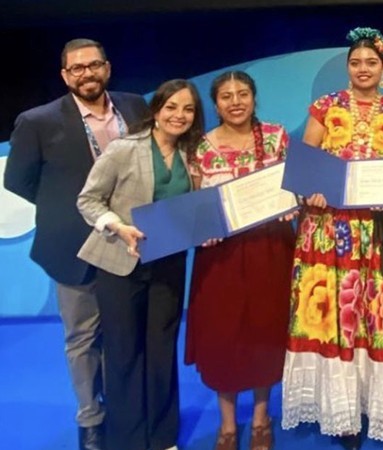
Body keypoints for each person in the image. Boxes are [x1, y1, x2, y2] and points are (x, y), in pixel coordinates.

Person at [3, 38, 148, 450]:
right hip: (74, 247)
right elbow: (19, 181)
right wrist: (68, 210)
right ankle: (90, 419)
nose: (87, 73)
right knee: (83, 337)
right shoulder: (38, 121)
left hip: (132, 243)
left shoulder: (136, 107)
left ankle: (126, 408)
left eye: (94, 65)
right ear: (65, 76)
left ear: (107, 67)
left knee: (127, 333)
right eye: (77, 68)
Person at [281, 27, 383, 450]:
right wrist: (312, 188)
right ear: (347, 67)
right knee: (330, 312)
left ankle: (370, 403)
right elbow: (307, 163)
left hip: (373, 232)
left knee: (370, 315)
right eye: (355, 62)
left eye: (370, 63)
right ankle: (338, 411)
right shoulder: (325, 107)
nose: (362, 69)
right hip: (326, 228)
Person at [76, 79, 204, 450]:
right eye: (172, 107)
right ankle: (128, 439)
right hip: (120, 263)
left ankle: (163, 436)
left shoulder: (191, 154)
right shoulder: (123, 150)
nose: (179, 115)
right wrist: (117, 226)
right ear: (156, 110)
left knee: (162, 349)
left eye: (188, 109)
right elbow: (88, 201)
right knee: (123, 351)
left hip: (168, 264)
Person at [185, 70, 295, 450]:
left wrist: (289, 203)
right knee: (223, 336)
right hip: (220, 256)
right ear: (215, 104)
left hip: (270, 249)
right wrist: (202, 226)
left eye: (243, 93)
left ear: (254, 97)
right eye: (227, 96)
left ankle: (262, 419)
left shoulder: (277, 136)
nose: (236, 102)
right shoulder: (198, 146)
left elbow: (293, 185)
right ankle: (228, 426)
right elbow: (192, 200)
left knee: (266, 331)